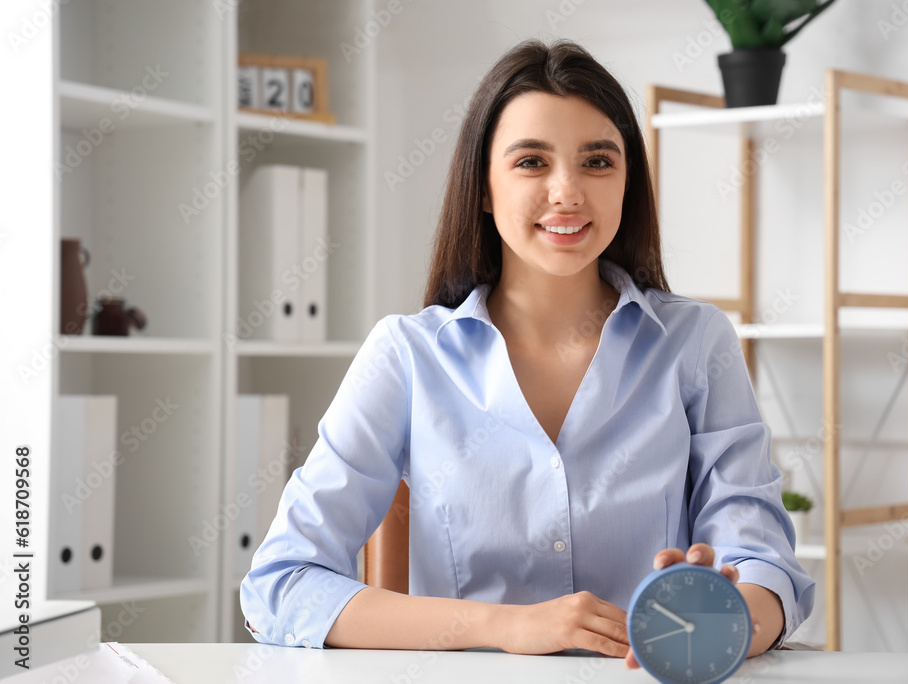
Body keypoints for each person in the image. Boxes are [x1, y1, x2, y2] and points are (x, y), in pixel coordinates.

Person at [240, 38, 814, 664]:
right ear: (483, 187)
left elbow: (765, 564)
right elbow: (280, 585)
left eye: (598, 162)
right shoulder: (405, 356)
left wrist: (729, 616)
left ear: (628, 183)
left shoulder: (696, 343)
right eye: (532, 162)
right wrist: (508, 627)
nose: (567, 192)